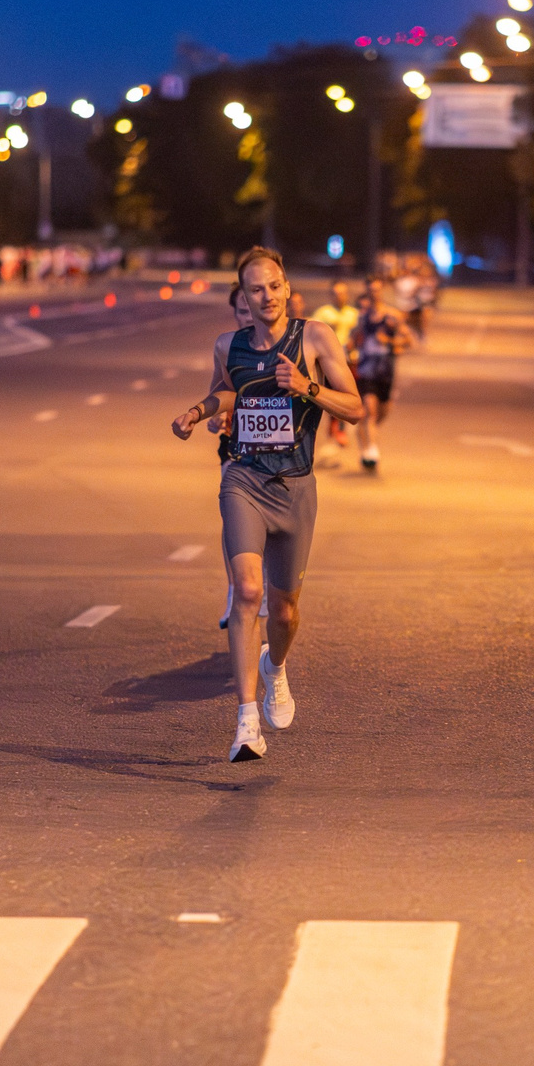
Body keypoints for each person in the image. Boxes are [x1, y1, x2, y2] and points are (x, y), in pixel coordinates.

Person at [170, 246, 366, 762]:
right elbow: (224, 394)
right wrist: (200, 413)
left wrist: (307, 386)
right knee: (248, 591)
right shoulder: (227, 346)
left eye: (274, 285)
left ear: (286, 288)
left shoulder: (316, 337)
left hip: (296, 488)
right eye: (256, 289)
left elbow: (355, 408)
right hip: (244, 478)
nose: (267, 296)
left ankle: (275, 667)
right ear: (244, 298)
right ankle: (245, 721)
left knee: (285, 611)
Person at [350, 279, 414, 472]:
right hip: (366, 370)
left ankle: (366, 442)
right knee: (370, 410)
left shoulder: (392, 316)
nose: (374, 294)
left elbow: (408, 341)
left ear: (382, 291)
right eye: (370, 291)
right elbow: (353, 340)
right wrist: (348, 350)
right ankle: (371, 450)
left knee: (381, 413)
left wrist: (391, 342)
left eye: (377, 290)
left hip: (386, 371)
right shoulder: (363, 317)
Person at [308, 283, 361, 467]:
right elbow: (310, 332)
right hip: (329, 363)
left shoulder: (354, 314)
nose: (340, 296)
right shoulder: (323, 313)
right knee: (330, 398)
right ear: (331, 295)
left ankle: (340, 430)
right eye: (336, 293)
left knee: (349, 397)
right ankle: (335, 432)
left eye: (343, 293)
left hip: (351, 361)